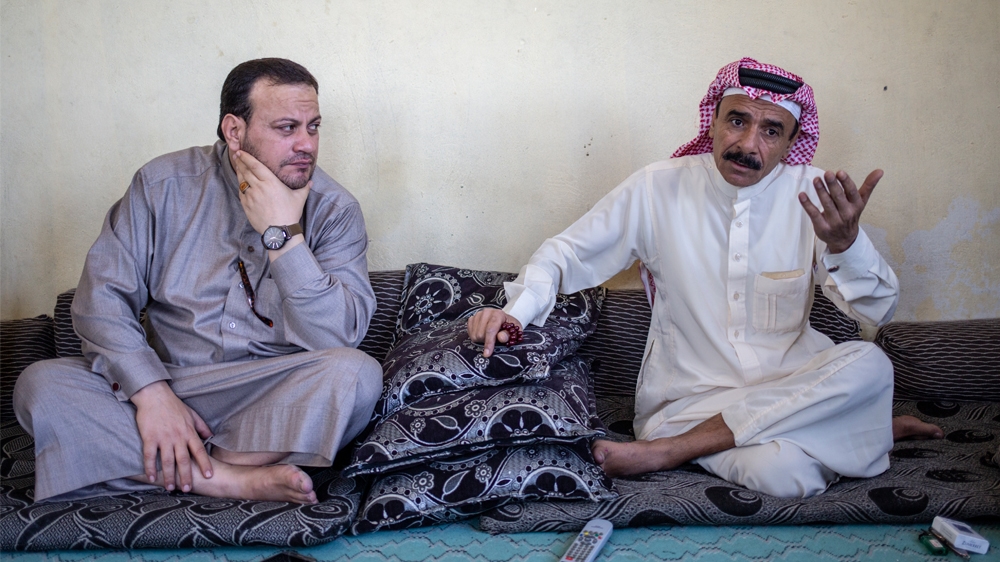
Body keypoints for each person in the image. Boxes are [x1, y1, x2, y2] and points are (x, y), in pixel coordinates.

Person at [468, 58, 941, 498]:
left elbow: (879, 310)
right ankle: (855, 428)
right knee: (785, 475)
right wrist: (514, 311)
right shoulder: (657, 188)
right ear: (713, 120)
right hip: (688, 402)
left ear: (791, 141)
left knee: (871, 363)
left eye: (771, 130)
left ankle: (668, 454)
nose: (748, 144)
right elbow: (565, 254)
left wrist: (845, 245)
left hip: (793, 381)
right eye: (738, 120)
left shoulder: (811, 197)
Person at [14, 58, 382, 504]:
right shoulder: (162, 185)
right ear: (234, 130)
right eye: (287, 127)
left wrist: (283, 238)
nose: (307, 144)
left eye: (314, 126)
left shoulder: (335, 210)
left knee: (359, 376)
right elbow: (100, 302)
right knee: (40, 384)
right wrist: (152, 396)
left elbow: (339, 337)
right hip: (171, 384)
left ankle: (176, 468)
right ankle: (227, 478)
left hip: (271, 393)